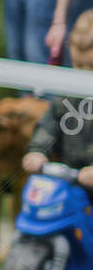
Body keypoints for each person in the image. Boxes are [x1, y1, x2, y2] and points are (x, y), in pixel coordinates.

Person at [23, 12, 93, 183]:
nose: (83, 73)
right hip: (72, 184)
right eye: (78, 65)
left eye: (91, 67)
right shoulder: (67, 98)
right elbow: (49, 126)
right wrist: (37, 151)